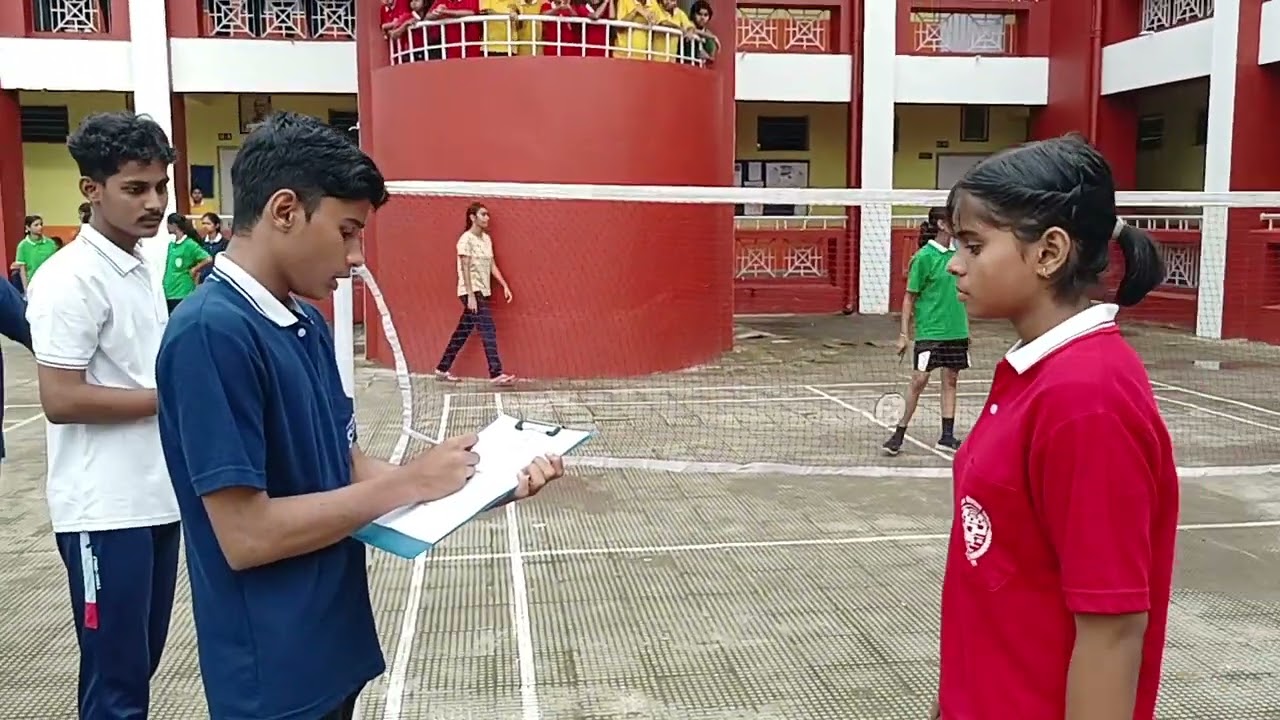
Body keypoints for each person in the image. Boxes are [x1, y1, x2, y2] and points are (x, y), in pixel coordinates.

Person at [154, 112, 564, 720]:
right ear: (285, 211)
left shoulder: (303, 322)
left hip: (330, 646)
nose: (355, 258)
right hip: (271, 675)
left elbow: (340, 464)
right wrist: (410, 482)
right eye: (347, 232)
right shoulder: (211, 334)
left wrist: (480, 484)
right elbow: (246, 535)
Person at [930, 134, 1177, 720]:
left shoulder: (1087, 400)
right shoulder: (1036, 371)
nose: (955, 263)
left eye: (973, 245)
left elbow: (1112, 630)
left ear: (1048, 253)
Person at [26, 111, 181, 720]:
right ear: (91, 189)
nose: (155, 203)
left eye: (161, 186)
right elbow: (61, 399)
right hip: (104, 512)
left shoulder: (138, 265)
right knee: (115, 686)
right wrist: (175, 398)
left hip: (156, 499)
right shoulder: (69, 278)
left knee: (139, 668)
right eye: (135, 188)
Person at [882, 206, 969, 455]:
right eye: (952, 219)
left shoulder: (960, 255)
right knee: (918, 381)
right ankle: (898, 433)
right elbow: (909, 297)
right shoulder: (923, 257)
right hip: (930, 331)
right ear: (941, 224)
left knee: (951, 380)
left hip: (956, 330)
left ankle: (947, 437)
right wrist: (904, 334)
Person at [434, 202, 515, 384]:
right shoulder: (465, 240)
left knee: (462, 331)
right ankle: (496, 373)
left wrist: (504, 285)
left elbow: (492, 265)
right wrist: (470, 295)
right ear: (473, 217)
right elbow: (464, 267)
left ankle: (442, 368)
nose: (487, 218)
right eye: (483, 214)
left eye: (487, 215)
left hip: (483, 291)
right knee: (487, 328)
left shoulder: (486, 239)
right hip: (471, 291)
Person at [162, 213, 213, 314]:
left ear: (174, 225)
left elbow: (208, 258)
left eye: (168, 223)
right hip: (169, 291)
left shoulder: (189, 244)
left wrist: (195, 269)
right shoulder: (172, 245)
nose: (166, 226)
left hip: (182, 291)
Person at [12, 214, 60, 292]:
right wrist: (26, 289)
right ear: (28, 228)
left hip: (51, 282)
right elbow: (22, 270)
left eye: (41, 224)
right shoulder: (23, 246)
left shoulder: (50, 243)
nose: (40, 227)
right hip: (33, 284)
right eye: (36, 225)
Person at [197, 211, 229, 282]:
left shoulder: (225, 243)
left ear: (217, 225)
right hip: (203, 280)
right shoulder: (201, 243)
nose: (205, 226)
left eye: (208, 224)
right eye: (203, 223)